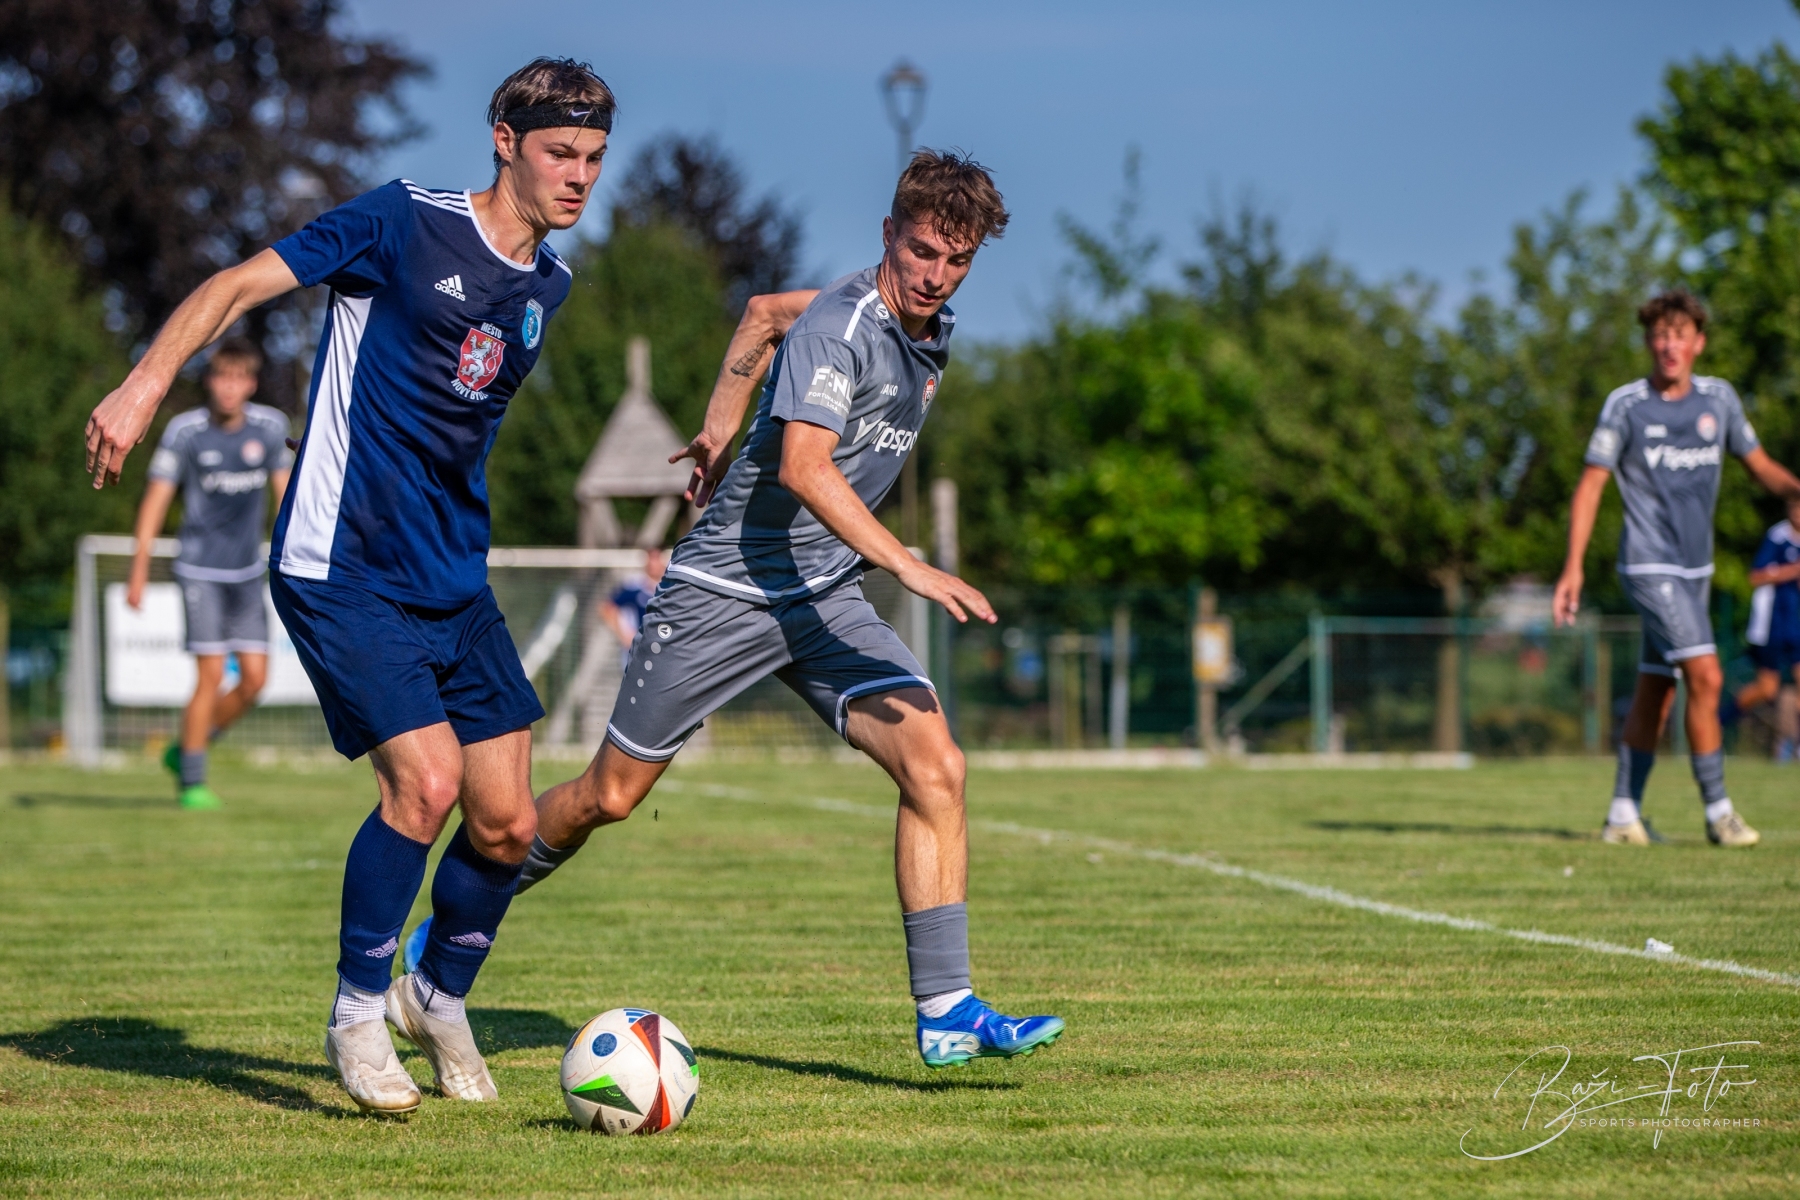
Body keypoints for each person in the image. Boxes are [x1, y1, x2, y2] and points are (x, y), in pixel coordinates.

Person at [82, 57, 610, 1114]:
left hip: (453, 577)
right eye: (560, 152)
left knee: (508, 824)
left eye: (594, 158)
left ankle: (435, 994)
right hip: (342, 561)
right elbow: (236, 287)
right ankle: (358, 1013)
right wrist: (145, 382)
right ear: (505, 141)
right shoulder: (401, 221)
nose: (579, 176)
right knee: (425, 787)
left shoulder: (546, 288)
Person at [514, 150, 1065, 1068]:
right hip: (725, 592)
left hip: (822, 598)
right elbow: (807, 468)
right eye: (921, 251)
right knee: (609, 796)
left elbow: (766, 311)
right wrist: (908, 565)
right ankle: (458, 915)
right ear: (887, 233)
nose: (936, 275)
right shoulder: (844, 326)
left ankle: (947, 1008)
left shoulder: (920, 327)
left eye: (957, 260)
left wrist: (719, 419)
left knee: (938, 768)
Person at [1553, 289, 1800, 848]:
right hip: (1648, 564)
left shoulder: (1720, 401)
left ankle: (1623, 816)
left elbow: (1760, 466)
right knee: (1707, 676)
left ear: (1698, 343)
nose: (1669, 345)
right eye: (1660, 335)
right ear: (1648, 342)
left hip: (1696, 572)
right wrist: (1572, 567)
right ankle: (1719, 813)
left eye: (1679, 335)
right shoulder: (1626, 406)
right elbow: (1590, 487)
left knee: (1657, 687)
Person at [126, 339, 291, 810]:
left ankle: (186, 747)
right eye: (221, 377)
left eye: (238, 378)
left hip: (247, 572)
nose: (228, 387)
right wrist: (139, 569)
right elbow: (156, 500)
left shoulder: (270, 428)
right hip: (199, 571)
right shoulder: (186, 432)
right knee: (211, 674)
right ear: (210, 381)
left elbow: (286, 497)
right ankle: (192, 782)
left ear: (251, 383)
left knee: (254, 680)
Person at [1720, 500, 1800, 759]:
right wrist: (1792, 571)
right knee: (1767, 689)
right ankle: (1718, 723)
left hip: (1797, 624)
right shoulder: (1777, 538)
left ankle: (1790, 743)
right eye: (1794, 507)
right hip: (1772, 625)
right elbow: (1756, 576)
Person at [597, 547, 667, 664]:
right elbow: (607, 608)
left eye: (657, 559)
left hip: (663, 648)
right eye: (651, 559)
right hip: (638, 651)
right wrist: (624, 635)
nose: (654, 564)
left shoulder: (669, 588)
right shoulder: (634, 587)